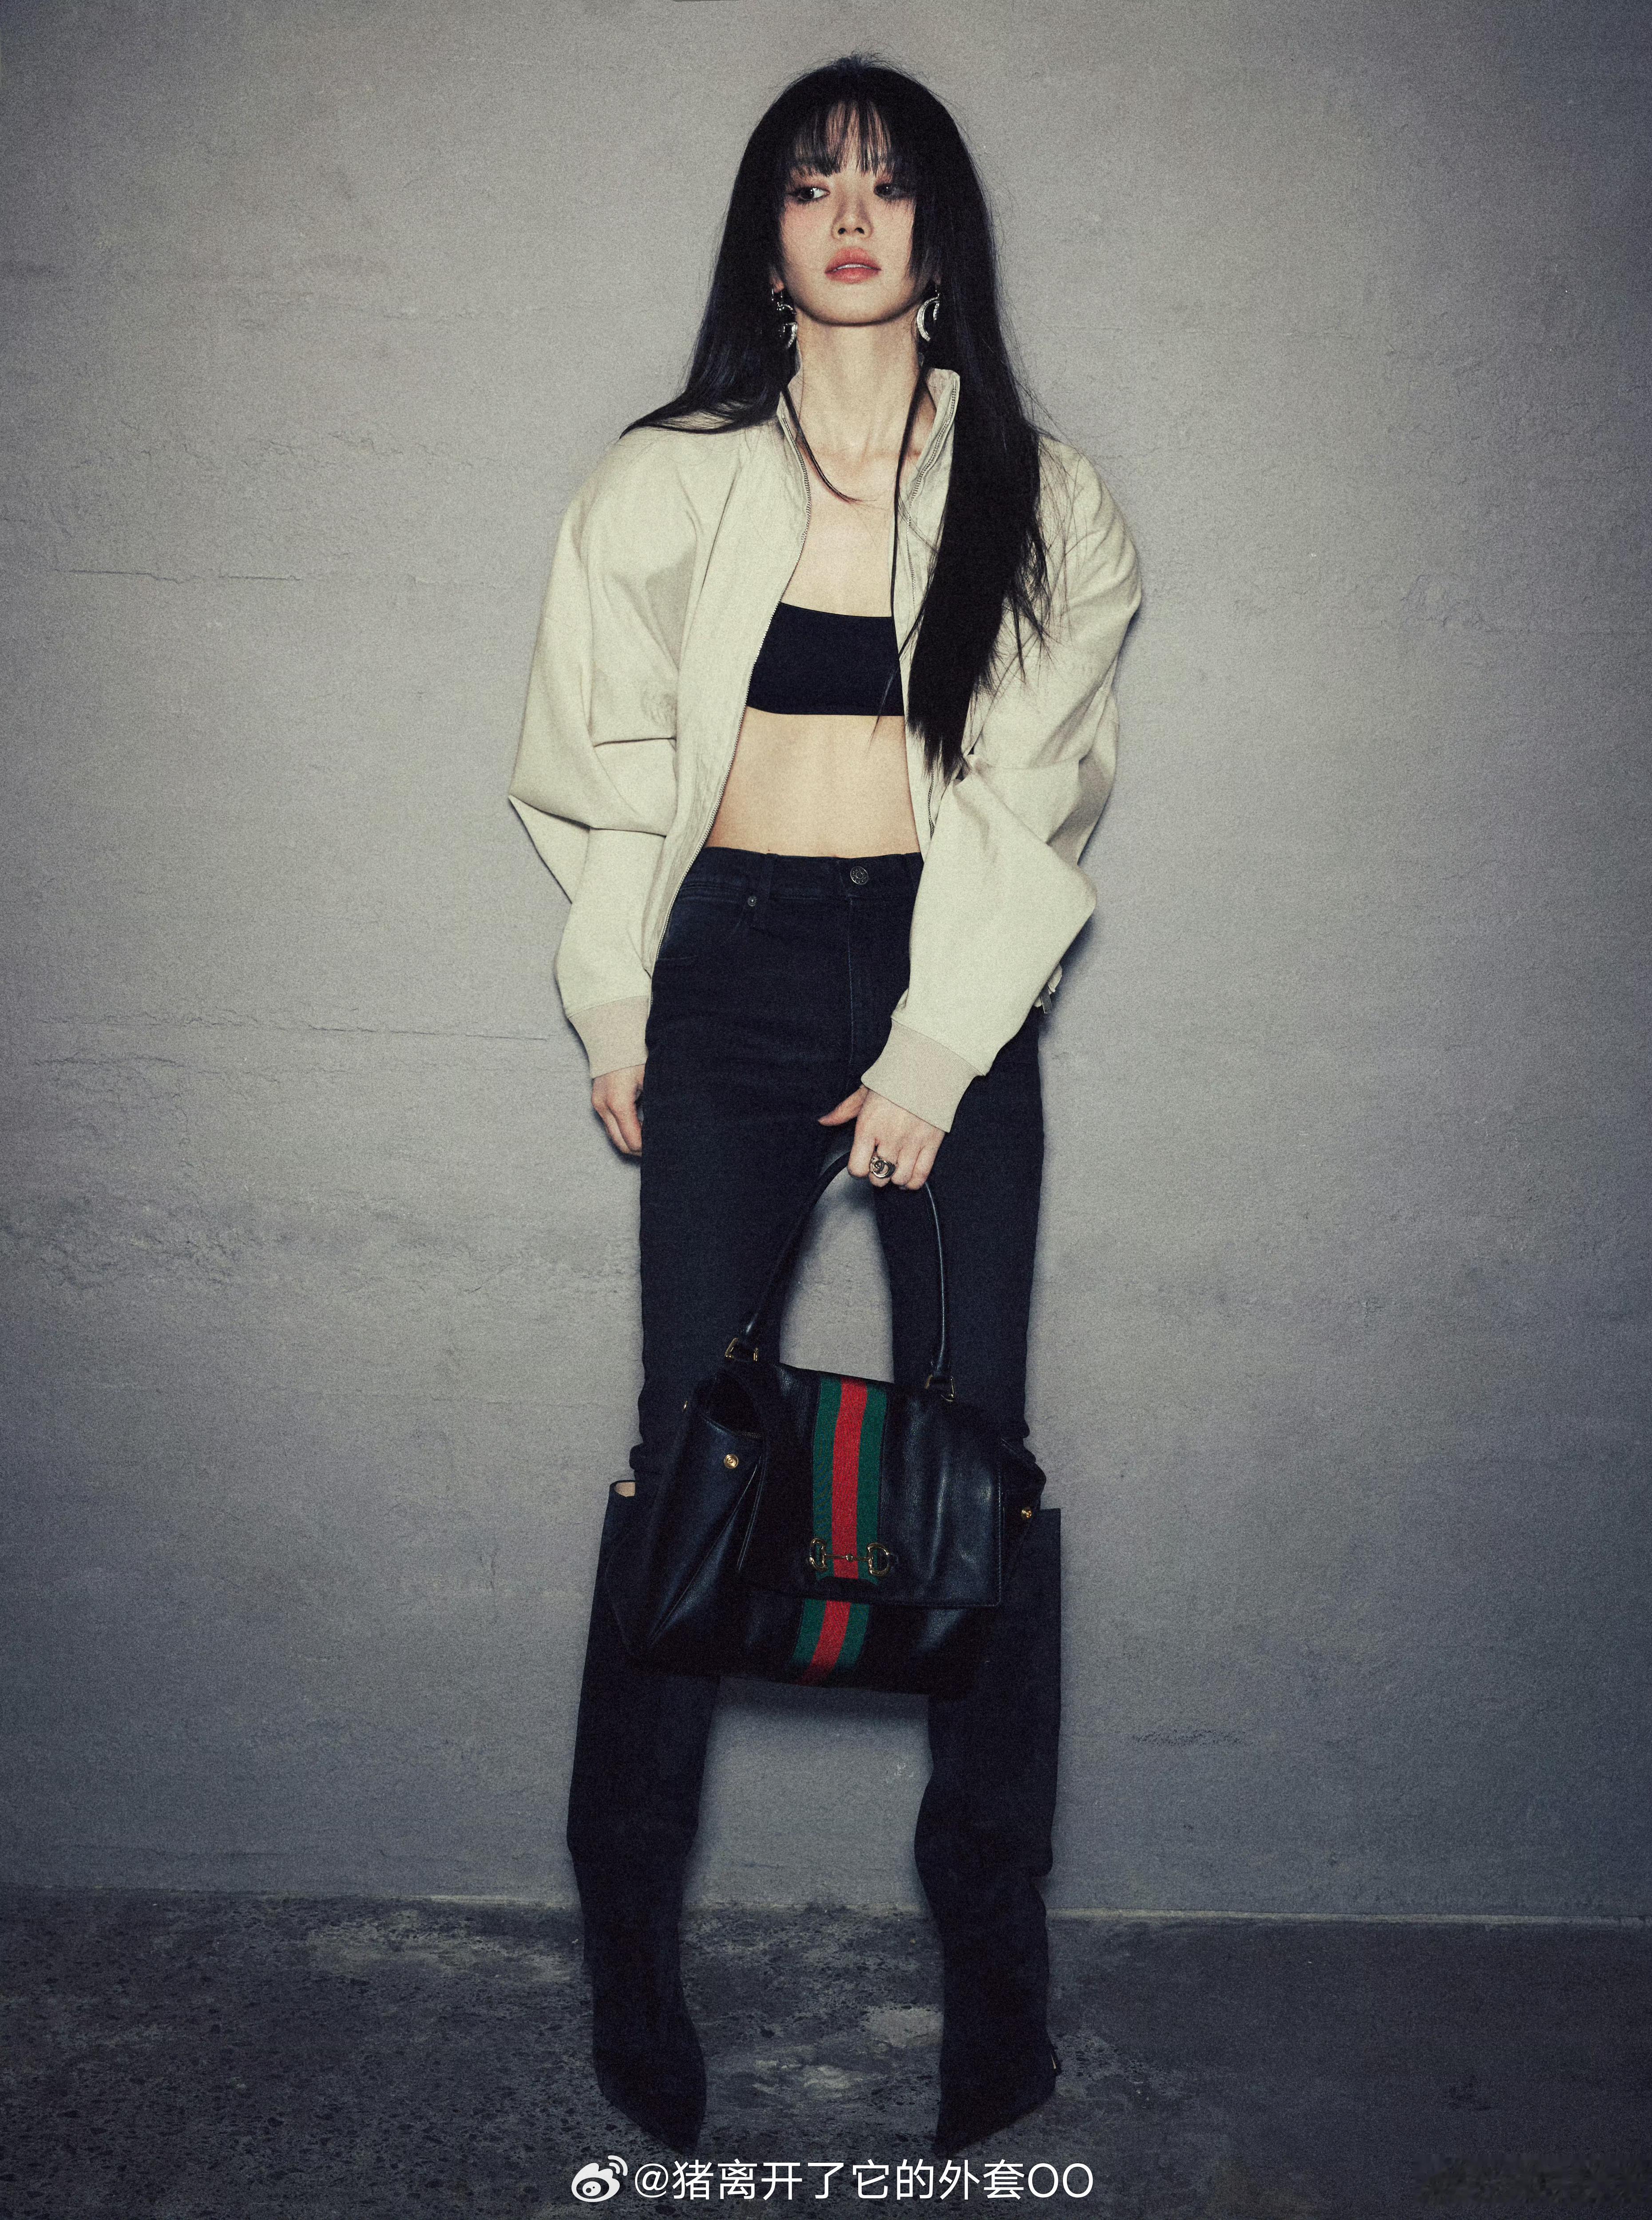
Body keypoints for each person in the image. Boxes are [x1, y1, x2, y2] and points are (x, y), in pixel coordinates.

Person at [507, 54, 1141, 2160]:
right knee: (684, 1462)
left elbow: (1036, 795)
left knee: (980, 1468)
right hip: (731, 969)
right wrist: (618, 999)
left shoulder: (1044, 497)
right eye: (807, 185)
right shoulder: (661, 479)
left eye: (883, 184)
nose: (847, 218)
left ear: (937, 233)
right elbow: (606, 765)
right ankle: (631, 1971)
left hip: (942, 959)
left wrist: (940, 1043)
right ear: (765, 238)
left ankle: (995, 2002)